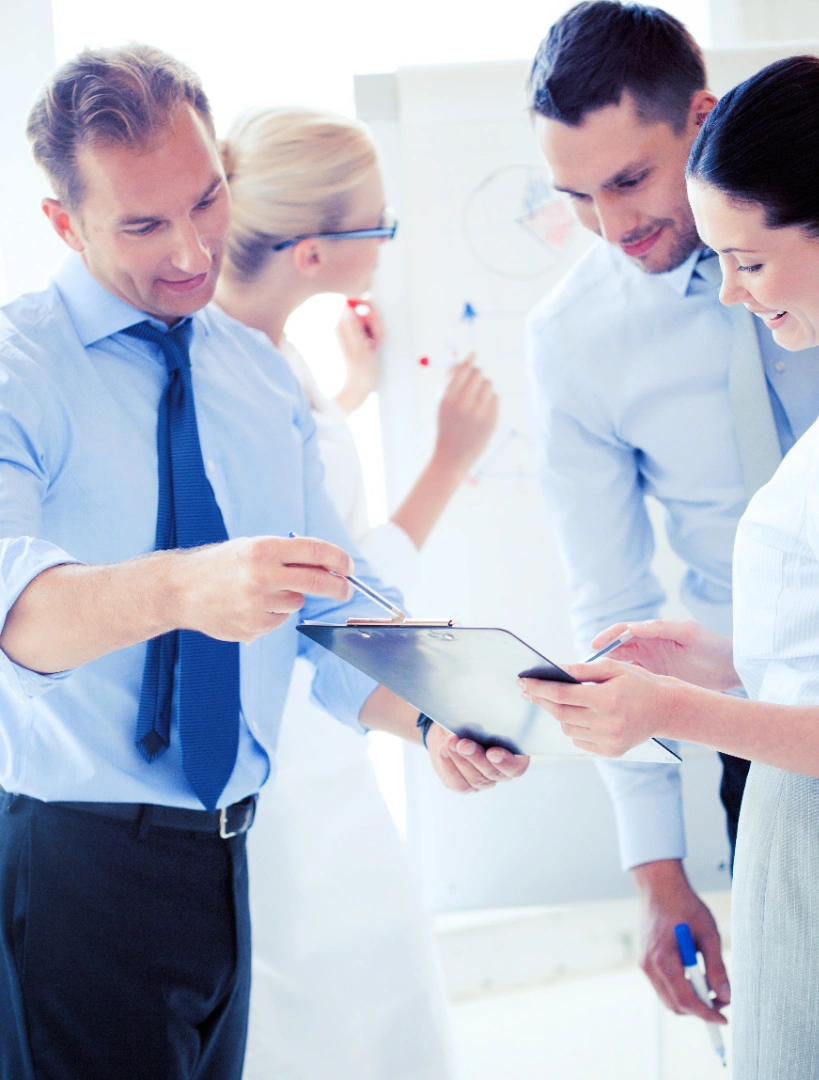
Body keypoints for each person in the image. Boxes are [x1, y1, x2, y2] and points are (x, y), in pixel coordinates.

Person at [0, 45, 528, 1080]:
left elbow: (325, 629)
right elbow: (14, 611)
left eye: (206, 203)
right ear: (65, 224)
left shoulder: (257, 375)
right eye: (145, 225)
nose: (195, 251)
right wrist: (187, 587)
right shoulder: (20, 369)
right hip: (71, 866)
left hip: (230, 864)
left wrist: (431, 719)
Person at [522, 53, 819, 1078]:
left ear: (699, 120)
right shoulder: (575, 338)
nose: (611, 226)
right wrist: (658, 864)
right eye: (576, 198)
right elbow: (610, 592)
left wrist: (675, 705)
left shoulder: (786, 238)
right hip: (771, 745)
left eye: (630, 181)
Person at [215, 107, 498, 1080]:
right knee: (345, 1013)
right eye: (380, 229)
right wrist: (449, 466)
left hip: (318, 734)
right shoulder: (239, 375)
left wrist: (353, 392)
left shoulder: (264, 354)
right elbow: (330, 585)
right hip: (291, 755)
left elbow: (295, 509)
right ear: (309, 253)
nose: (388, 247)